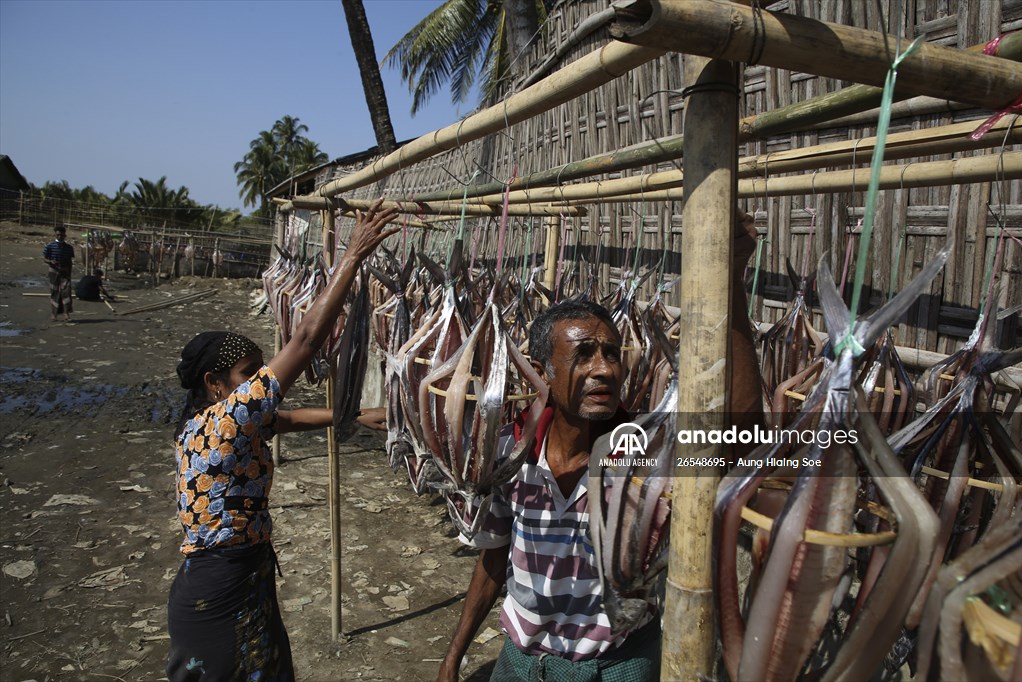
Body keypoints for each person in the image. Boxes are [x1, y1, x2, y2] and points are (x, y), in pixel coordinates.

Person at [437, 213, 764, 682]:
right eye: (584, 353)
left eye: (612, 353)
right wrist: (454, 656)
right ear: (541, 370)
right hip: (522, 663)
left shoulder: (647, 453)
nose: (604, 369)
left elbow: (740, 436)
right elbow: (494, 557)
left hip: (618, 667)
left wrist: (731, 286)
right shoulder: (511, 452)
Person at [165, 199, 398, 681]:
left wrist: (351, 414)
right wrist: (351, 256)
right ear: (215, 383)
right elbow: (307, 340)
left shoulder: (206, 425)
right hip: (218, 585)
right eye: (249, 374)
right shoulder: (226, 421)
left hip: (235, 575)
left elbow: (285, 419)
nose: (258, 383)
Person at [43, 225, 75, 322]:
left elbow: (70, 260)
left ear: (65, 235)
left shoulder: (69, 248)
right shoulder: (50, 246)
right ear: (55, 235)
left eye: (61, 235)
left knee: (66, 292)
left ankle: (66, 313)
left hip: (65, 271)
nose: (60, 237)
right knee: (55, 292)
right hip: (54, 271)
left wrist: (69, 272)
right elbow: (44, 258)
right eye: (58, 235)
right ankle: (54, 314)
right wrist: (50, 262)